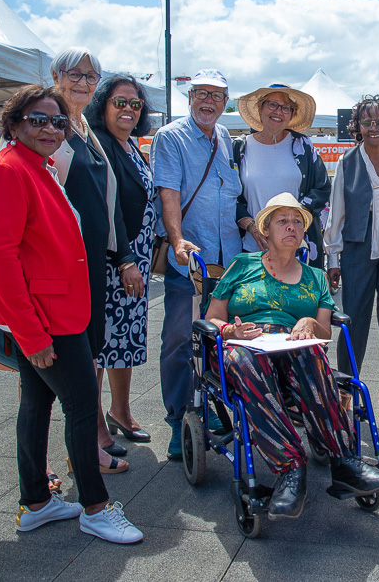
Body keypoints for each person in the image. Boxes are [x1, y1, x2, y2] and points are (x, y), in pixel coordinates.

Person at [0, 85, 142, 543]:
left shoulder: (38, 167)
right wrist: (31, 335)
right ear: (13, 124)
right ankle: (95, 505)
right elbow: (0, 259)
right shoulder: (9, 171)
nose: (50, 128)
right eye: (37, 119)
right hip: (47, 317)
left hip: (58, 311)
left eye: (57, 121)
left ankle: (36, 502)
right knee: (80, 405)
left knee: (36, 405)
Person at [206, 193, 379, 519]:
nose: (291, 227)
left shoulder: (315, 277)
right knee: (248, 363)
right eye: (282, 221)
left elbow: (325, 331)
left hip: (291, 345)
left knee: (312, 353)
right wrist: (228, 332)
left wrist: (308, 323)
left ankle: (344, 461)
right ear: (265, 229)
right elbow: (212, 317)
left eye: (297, 222)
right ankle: (291, 466)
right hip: (243, 344)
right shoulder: (242, 265)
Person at [150, 69, 243, 460]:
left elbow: (235, 197)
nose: (209, 101)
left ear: (226, 103)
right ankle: (179, 418)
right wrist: (176, 240)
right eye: (201, 93)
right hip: (191, 261)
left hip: (230, 261)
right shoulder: (170, 137)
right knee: (178, 340)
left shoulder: (228, 141)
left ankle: (215, 410)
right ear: (189, 97)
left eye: (217, 96)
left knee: (223, 339)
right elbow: (168, 193)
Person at [48, 46, 129, 474]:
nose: (82, 82)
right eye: (74, 74)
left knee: (89, 353)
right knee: (67, 366)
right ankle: (81, 452)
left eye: (90, 76)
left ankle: (87, 443)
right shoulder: (50, 126)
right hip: (61, 265)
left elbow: (106, 199)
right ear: (57, 76)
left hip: (91, 263)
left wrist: (119, 254)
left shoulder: (84, 129)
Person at [324, 95, 379, 424]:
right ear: (357, 126)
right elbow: (336, 212)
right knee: (352, 319)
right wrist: (332, 257)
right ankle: (346, 389)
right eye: (367, 122)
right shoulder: (348, 160)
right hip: (357, 241)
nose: (373, 127)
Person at [84, 74, 157, 447]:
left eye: (135, 103)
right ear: (103, 105)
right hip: (114, 261)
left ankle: (121, 412)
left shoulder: (132, 147)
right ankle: (97, 424)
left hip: (137, 260)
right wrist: (125, 258)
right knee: (101, 343)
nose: (128, 109)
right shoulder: (100, 146)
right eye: (120, 102)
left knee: (125, 340)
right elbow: (105, 207)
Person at [234, 84, 331, 269]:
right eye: (272, 104)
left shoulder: (303, 146)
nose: (278, 111)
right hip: (254, 246)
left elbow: (322, 187)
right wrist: (253, 226)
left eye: (286, 107)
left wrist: (292, 221)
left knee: (299, 297)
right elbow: (230, 196)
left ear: (291, 115)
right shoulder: (240, 148)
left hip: (297, 247)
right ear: (260, 108)